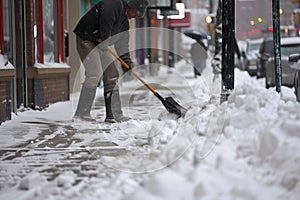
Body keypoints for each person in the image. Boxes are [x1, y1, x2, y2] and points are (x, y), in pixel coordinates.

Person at [73, 0, 149, 123]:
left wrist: (127, 61)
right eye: (136, 13)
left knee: (112, 74)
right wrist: (105, 39)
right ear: (131, 7)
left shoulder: (124, 23)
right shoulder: (114, 4)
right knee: (94, 73)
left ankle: (113, 114)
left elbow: (123, 45)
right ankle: (81, 114)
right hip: (87, 39)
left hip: (101, 43)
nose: (135, 17)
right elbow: (106, 20)